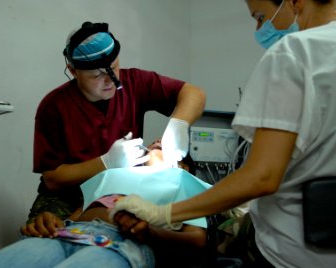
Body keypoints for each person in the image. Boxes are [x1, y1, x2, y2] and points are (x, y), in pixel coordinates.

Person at [110, 0, 336, 267]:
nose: (258, 28)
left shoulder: (292, 53)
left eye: (259, 16)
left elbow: (261, 177)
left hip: (292, 252)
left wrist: (162, 213)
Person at [23, 21, 206, 236]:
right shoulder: (54, 107)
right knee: (43, 237)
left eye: (115, 67)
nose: (111, 81)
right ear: (73, 71)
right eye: (97, 75)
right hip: (67, 194)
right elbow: (53, 179)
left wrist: (178, 125)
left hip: (116, 190)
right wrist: (106, 163)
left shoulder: (135, 82)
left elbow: (194, 94)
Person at [0, 145, 209, 268]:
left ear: (183, 165)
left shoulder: (183, 179)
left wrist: (149, 232)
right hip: (66, 235)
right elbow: (74, 217)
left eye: (164, 145)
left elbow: (197, 240)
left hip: (121, 245)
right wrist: (48, 223)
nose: (157, 142)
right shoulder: (112, 174)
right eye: (154, 142)